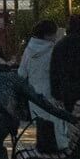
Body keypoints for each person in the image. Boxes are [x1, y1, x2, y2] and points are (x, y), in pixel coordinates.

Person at [18, 20, 62, 151]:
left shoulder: (29, 49)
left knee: (41, 125)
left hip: (34, 94)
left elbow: (21, 73)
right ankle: (50, 153)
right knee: (53, 126)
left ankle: (42, 149)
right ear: (48, 35)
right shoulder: (54, 50)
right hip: (51, 92)